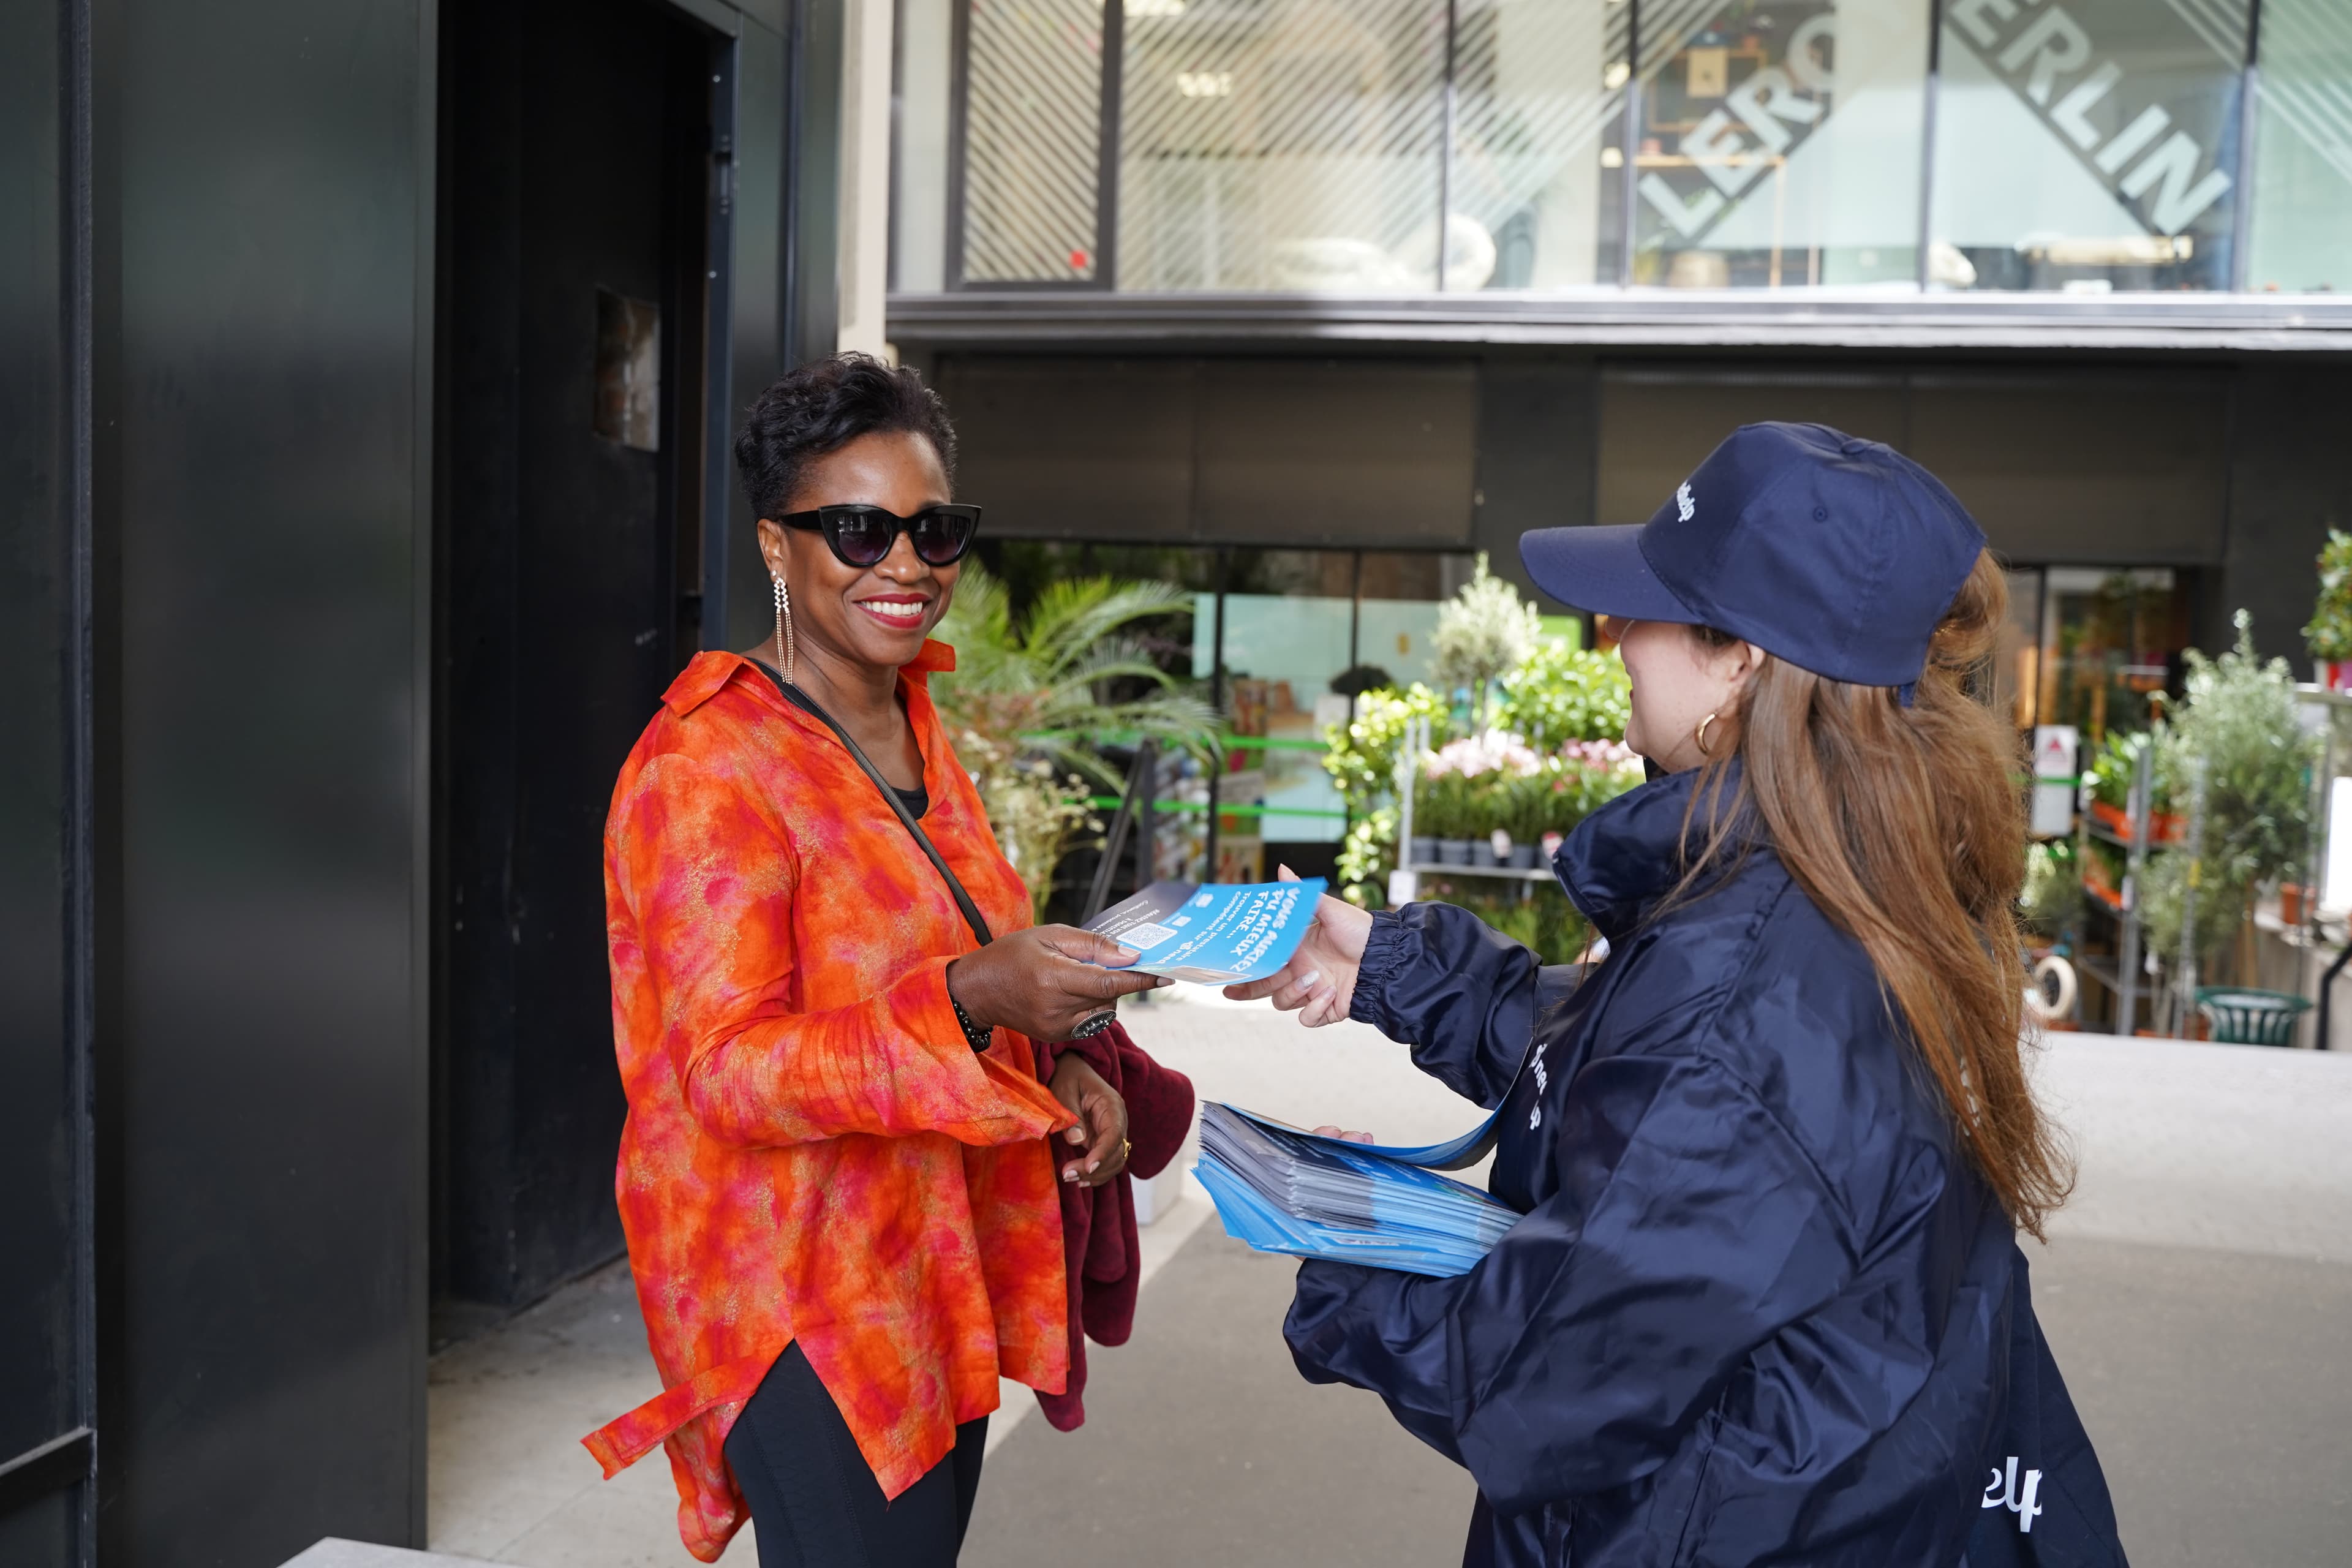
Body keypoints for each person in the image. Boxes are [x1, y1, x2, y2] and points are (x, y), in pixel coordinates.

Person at [1228, 424, 2125, 1567]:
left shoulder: (1751, 991)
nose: (1614, 634)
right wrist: (1394, 969)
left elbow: (1539, 1382)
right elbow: (1661, 1094)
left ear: (1742, 659)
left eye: (1648, 606)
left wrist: (1341, 1247)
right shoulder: (1856, 880)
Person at [582, 353, 1183, 1566]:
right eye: (860, 530)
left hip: (939, 1260)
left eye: (934, 530)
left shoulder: (912, 718)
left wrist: (1066, 1060)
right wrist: (972, 995)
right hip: (799, 1299)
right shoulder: (704, 766)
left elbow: (964, 938)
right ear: (777, 544)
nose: (905, 565)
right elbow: (727, 1073)